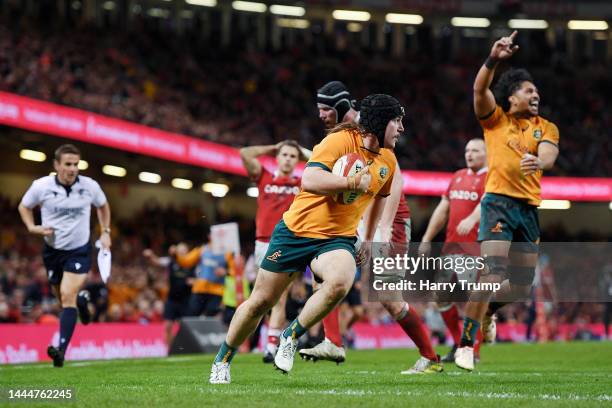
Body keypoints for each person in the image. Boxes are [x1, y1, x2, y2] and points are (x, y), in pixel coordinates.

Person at [209, 94, 403, 384]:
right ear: (379, 121)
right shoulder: (339, 141)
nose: (401, 128)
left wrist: (368, 236)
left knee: (340, 281)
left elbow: (379, 198)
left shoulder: (388, 159)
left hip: (336, 238)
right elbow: (309, 180)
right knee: (261, 301)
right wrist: (351, 182)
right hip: (296, 231)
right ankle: (222, 359)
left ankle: (290, 335)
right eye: (397, 121)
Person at [300, 82, 441, 375]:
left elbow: (395, 177)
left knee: (389, 297)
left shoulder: (364, 127)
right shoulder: (340, 136)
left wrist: (385, 228)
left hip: (389, 218)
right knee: (323, 274)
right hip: (359, 216)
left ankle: (430, 356)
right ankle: (333, 342)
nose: (322, 115)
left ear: (341, 107)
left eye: (327, 109)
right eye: (319, 109)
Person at [454, 31, 560, 371]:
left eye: (536, 90)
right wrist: (493, 59)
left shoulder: (546, 127)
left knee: (518, 286)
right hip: (498, 202)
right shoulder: (496, 120)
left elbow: (549, 154)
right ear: (512, 97)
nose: (536, 94)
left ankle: (488, 312)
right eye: (529, 89)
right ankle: (466, 345)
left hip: (528, 209)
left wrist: (539, 161)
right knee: (490, 274)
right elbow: (478, 90)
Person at [18, 144, 111, 367]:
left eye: (76, 165)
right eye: (68, 164)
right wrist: (32, 227)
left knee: (67, 295)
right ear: (57, 165)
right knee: (63, 299)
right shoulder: (41, 186)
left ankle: (60, 351)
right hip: (52, 251)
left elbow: (103, 207)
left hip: (79, 249)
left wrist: (105, 232)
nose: (72, 169)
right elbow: (24, 206)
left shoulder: (89, 186)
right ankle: (82, 304)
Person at [418, 139, 487, 362]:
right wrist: (427, 238)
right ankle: (460, 344)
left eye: (475, 150)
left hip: (475, 248)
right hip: (451, 247)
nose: (469, 154)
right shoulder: (457, 177)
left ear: (487, 153)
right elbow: (443, 208)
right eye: (467, 150)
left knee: (470, 299)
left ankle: (472, 349)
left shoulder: (492, 178)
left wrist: (472, 219)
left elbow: (486, 204)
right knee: (441, 296)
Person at [239, 140, 303, 362]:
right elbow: (245, 152)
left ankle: (270, 347)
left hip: (288, 242)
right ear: (277, 157)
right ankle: (263, 341)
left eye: (293, 156)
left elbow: (325, 161)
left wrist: (302, 151)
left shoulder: (303, 182)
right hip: (263, 243)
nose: (287, 159)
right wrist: (272, 147)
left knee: (280, 296)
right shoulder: (265, 177)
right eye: (284, 154)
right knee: (262, 297)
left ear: (298, 160)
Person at [143, 243, 194, 346]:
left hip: (186, 300)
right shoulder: (170, 261)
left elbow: (201, 278)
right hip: (172, 299)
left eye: (184, 251)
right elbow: (157, 261)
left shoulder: (192, 264)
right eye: (180, 251)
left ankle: (184, 347)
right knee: (167, 325)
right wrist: (150, 255)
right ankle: (169, 350)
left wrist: (194, 281)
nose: (181, 253)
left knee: (185, 328)